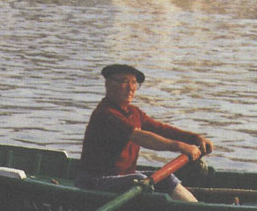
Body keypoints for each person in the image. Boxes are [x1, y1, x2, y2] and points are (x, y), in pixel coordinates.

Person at [75, 64, 213, 202]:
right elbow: (142, 138)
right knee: (142, 180)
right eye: (124, 82)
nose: (130, 88)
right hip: (94, 182)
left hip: (122, 177)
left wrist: (194, 138)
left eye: (134, 82)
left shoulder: (134, 112)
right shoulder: (106, 114)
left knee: (165, 176)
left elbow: (161, 129)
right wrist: (180, 146)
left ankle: (196, 208)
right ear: (108, 84)